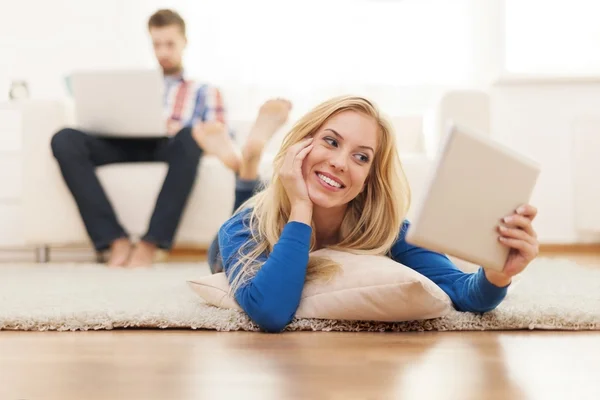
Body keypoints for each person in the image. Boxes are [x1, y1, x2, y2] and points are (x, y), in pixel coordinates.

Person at [207, 95, 540, 333]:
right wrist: (302, 208)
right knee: (247, 203)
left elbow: (462, 291)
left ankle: (246, 168)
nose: (339, 163)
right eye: (331, 142)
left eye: (361, 157)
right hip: (246, 226)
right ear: (300, 146)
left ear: (368, 180)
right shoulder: (239, 229)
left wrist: (498, 274)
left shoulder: (389, 232)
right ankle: (247, 170)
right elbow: (270, 311)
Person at [50, 9, 231, 267]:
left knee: (189, 137)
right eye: (157, 45)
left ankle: (151, 242)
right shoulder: (134, 85)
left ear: (185, 42)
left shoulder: (204, 90)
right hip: (125, 142)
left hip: (171, 146)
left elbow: (219, 138)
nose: (163, 52)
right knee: (64, 139)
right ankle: (114, 240)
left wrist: (182, 129)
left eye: (170, 44)